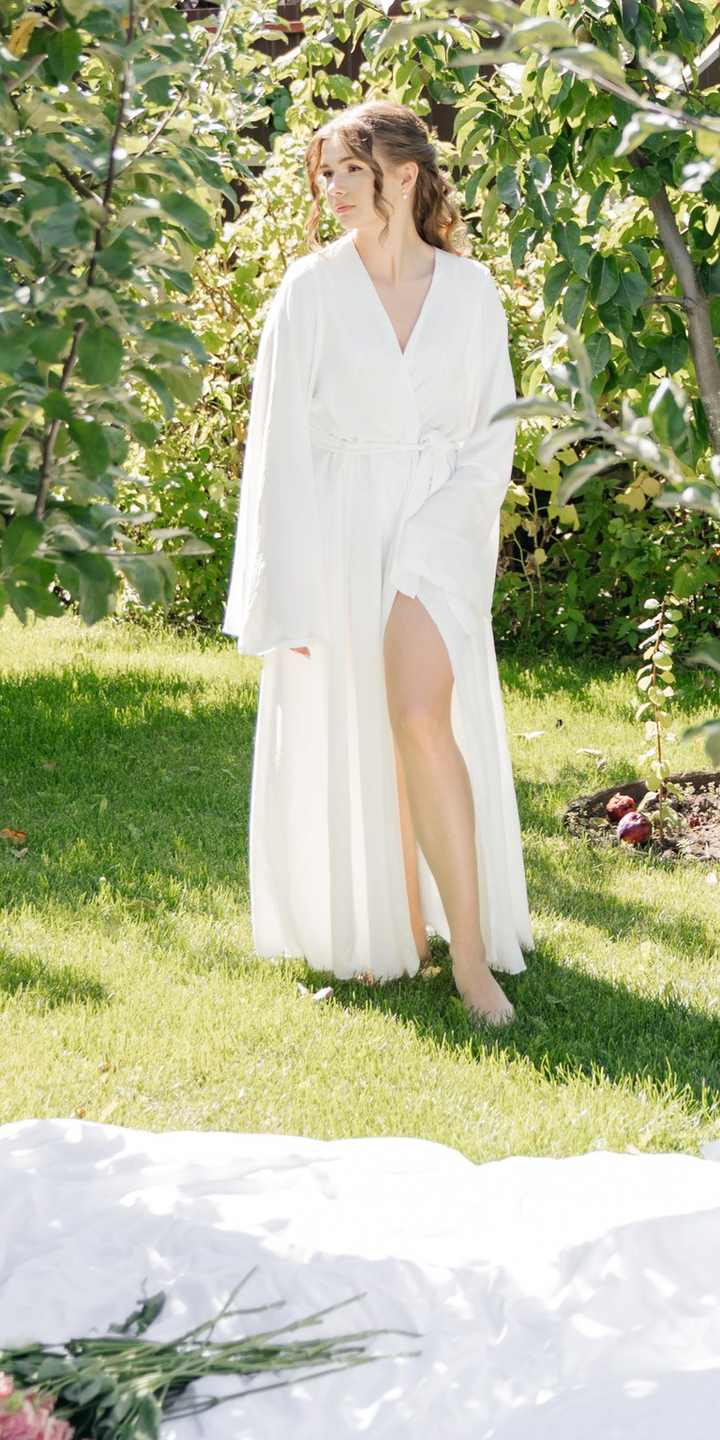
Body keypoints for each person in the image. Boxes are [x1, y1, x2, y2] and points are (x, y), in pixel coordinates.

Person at [225, 104, 531, 1024]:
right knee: (362, 725)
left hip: (441, 525)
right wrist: (285, 590)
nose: (331, 189)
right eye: (324, 173)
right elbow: (278, 446)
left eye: (347, 171)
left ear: (403, 176)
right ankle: (394, 931)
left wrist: (444, 529)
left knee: (421, 718)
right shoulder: (310, 290)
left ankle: (470, 959)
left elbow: (493, 435)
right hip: (339, 530)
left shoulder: (470, 292)